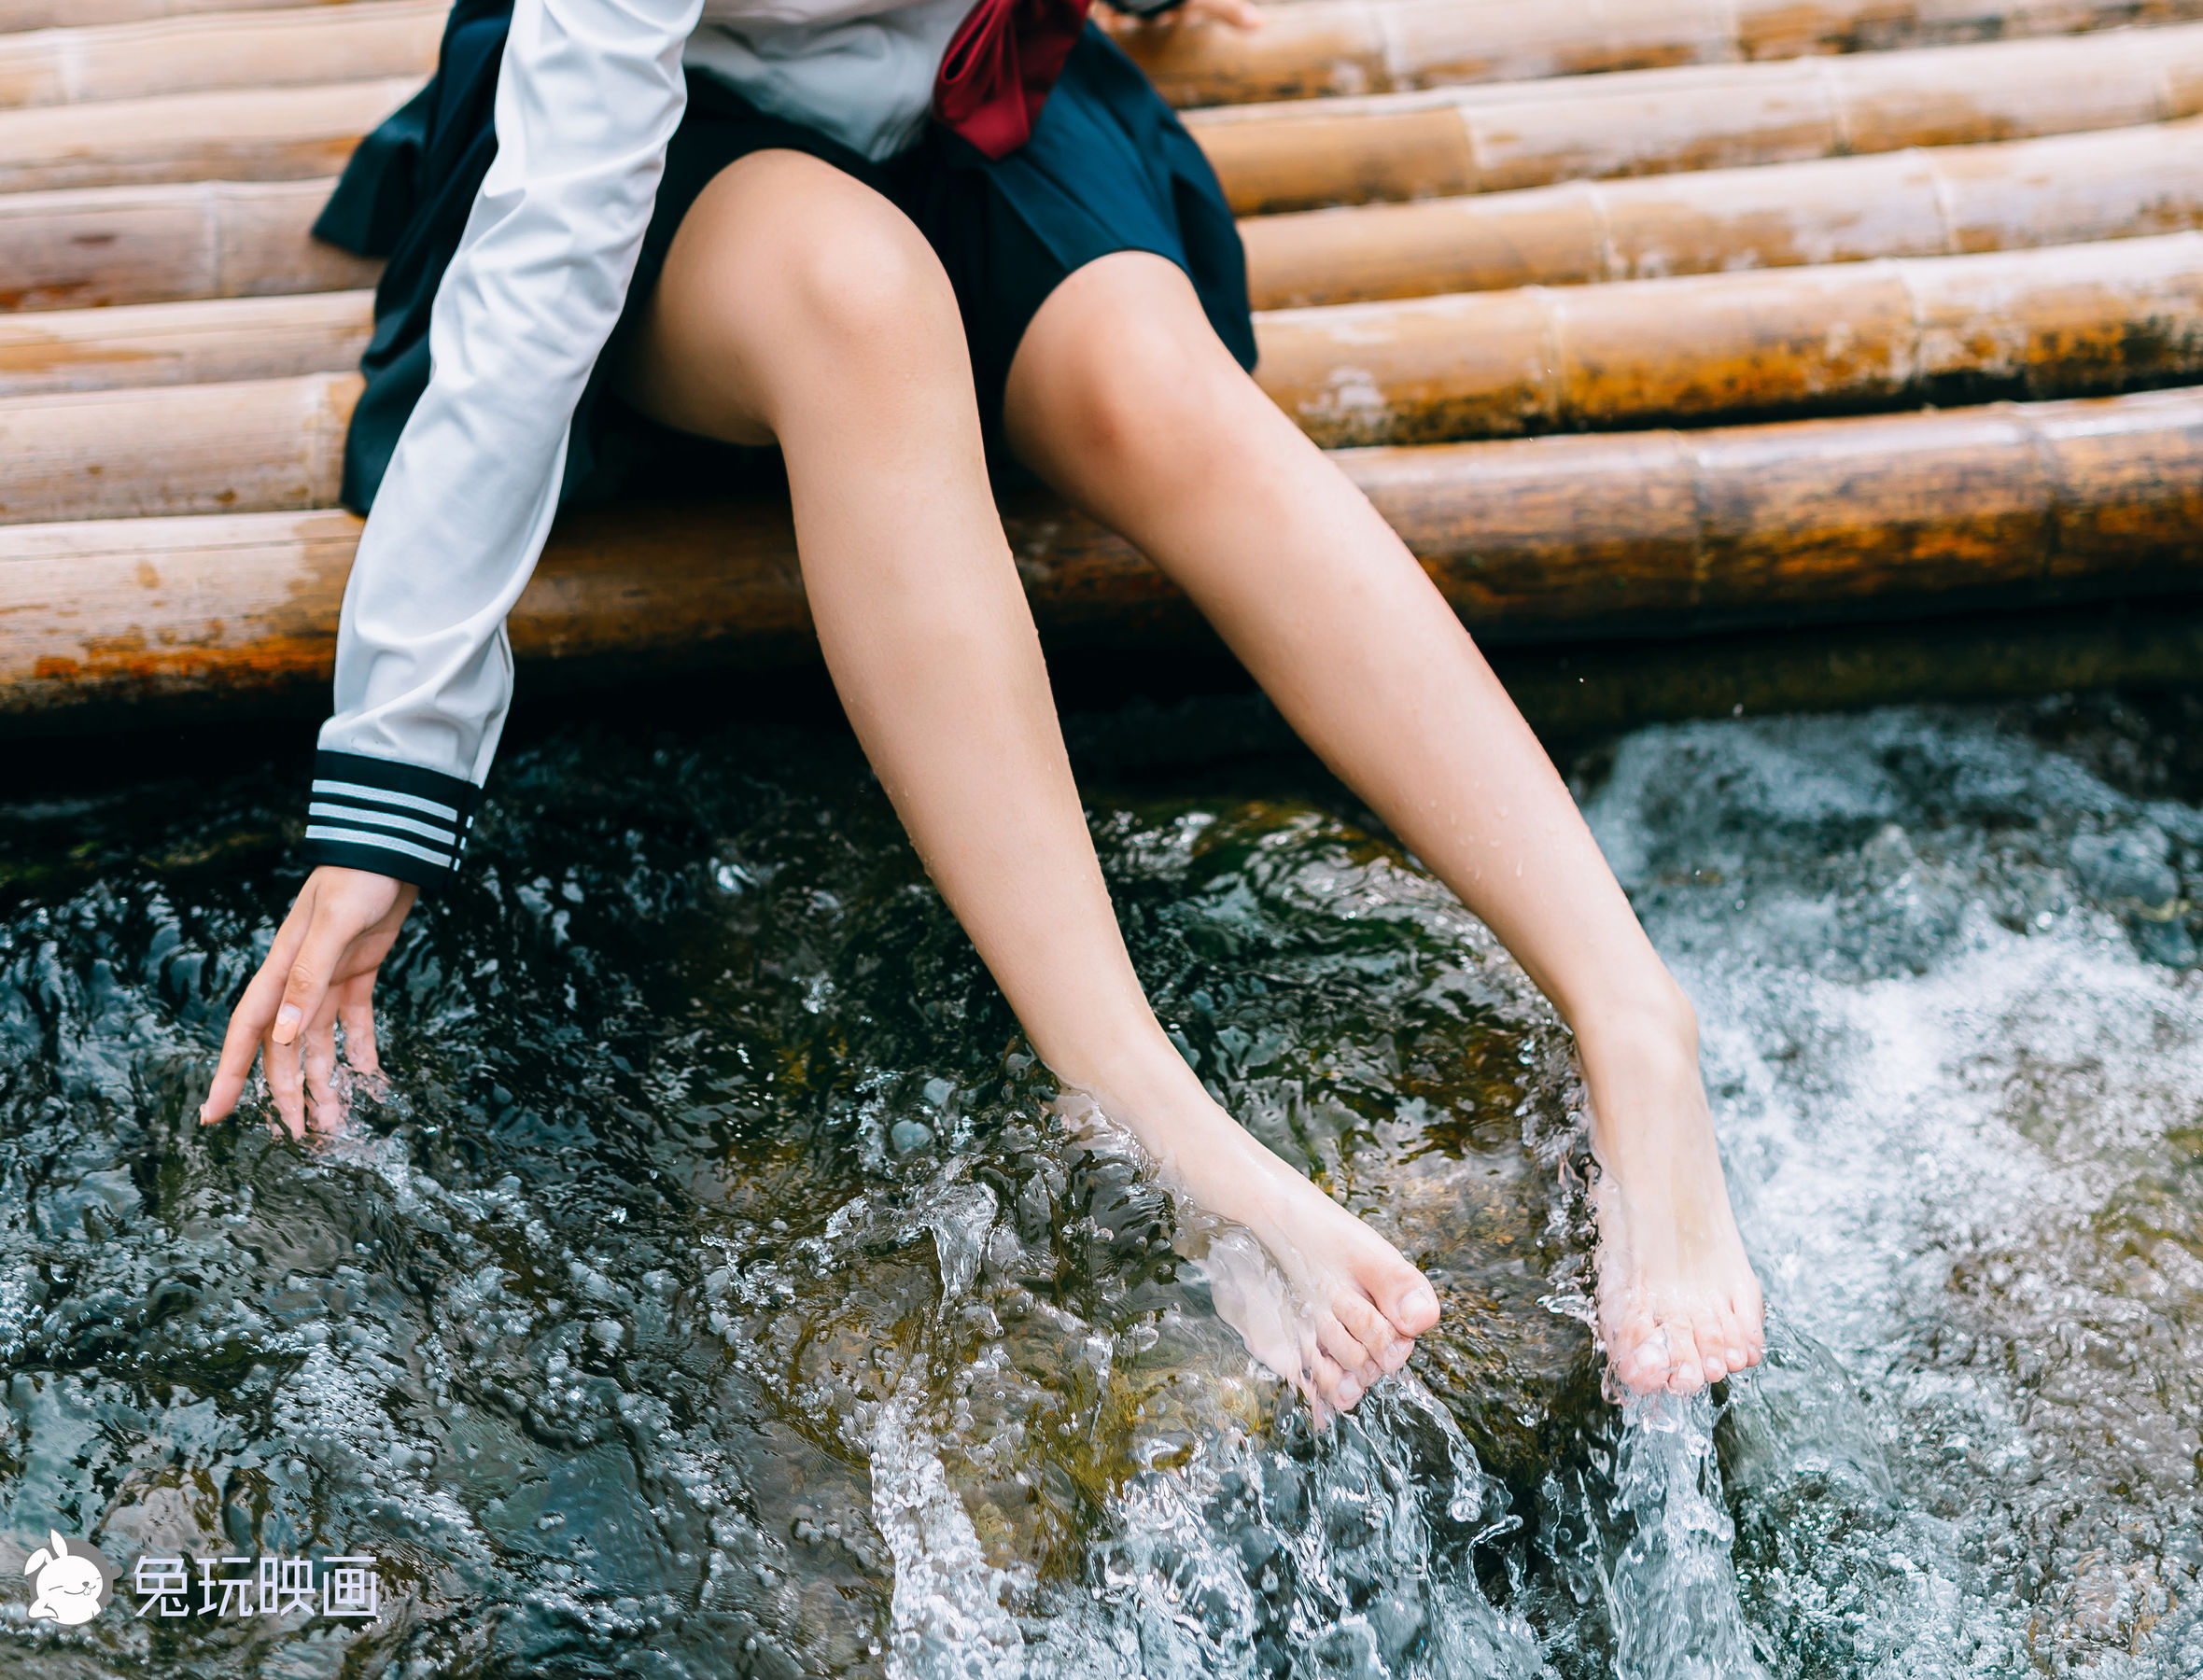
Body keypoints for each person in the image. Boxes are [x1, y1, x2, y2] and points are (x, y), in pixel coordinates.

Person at [198, 0, 1764, 1406]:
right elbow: (532, 296)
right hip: (694, 160)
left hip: (964, 98)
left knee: (1147, 378)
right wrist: (392, 783)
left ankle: (1636, 1017)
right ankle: (1147, 1102)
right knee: (865, 292)